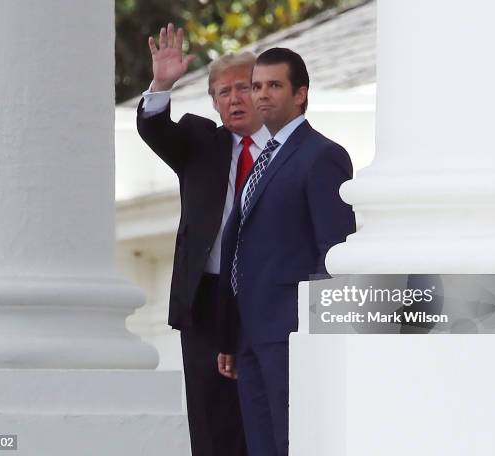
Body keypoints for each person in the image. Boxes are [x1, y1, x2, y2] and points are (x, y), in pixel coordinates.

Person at [136, 23, 270, 456]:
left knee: (268, 409)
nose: (234, 99)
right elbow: (155, 129)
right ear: (214, 103)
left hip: (268, 296)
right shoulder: (198, 143)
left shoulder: (291, 148)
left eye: (244, 88)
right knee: (211, 419)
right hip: (208, 300)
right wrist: (162, 83)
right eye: (223, 92)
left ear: (265, 91)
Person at [216, 48, 356, 456]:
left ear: (300, 94)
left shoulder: (322, 155)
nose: (261, 95)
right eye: (256, 86)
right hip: (249, 333)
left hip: (292, 332)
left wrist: (312, 331)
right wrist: (231, 331)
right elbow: (242, 246)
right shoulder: (263, 158)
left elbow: (333, 253)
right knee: (261, 444)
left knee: (294, 441)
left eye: (274, 85)